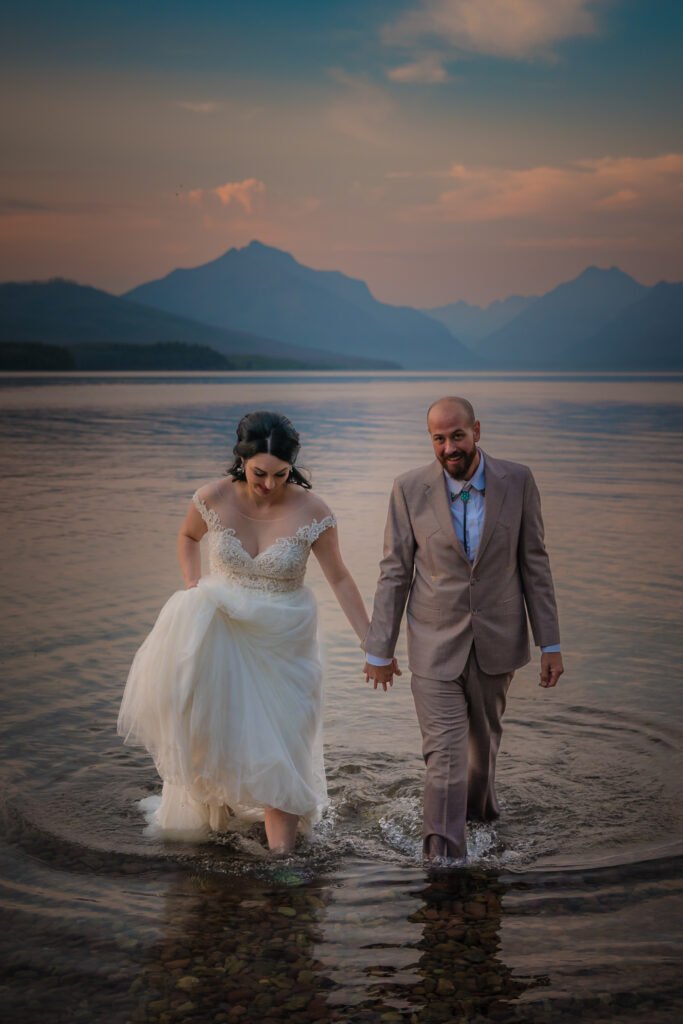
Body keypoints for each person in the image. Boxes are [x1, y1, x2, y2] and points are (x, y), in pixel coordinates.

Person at [118, 411, 370, 853]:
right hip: (225, 634)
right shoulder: (211, 497)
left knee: (284, 745)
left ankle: (283, 860)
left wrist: (373, 642)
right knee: (221, 737)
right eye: (259, 473)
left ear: (292, 467)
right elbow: (187, 537)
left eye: (280, 474)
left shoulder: (315, 511)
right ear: (241, 460)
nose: (268, 484)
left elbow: (341, 578)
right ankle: (229, 821)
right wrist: (193, 585)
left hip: (287, 645)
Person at [363, 396, 563, 862]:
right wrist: (379, 649)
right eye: (439, 438)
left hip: (498, 640)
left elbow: (535, 563)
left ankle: (482, 822)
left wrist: (549, 642)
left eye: (457, 435)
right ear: (430, 439)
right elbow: (394, 571)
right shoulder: (408, 489)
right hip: (434, 645)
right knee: (445, 760)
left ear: (476, 430)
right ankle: (444, 861)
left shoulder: (518, 480)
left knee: (480, 754)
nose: (449, 446)